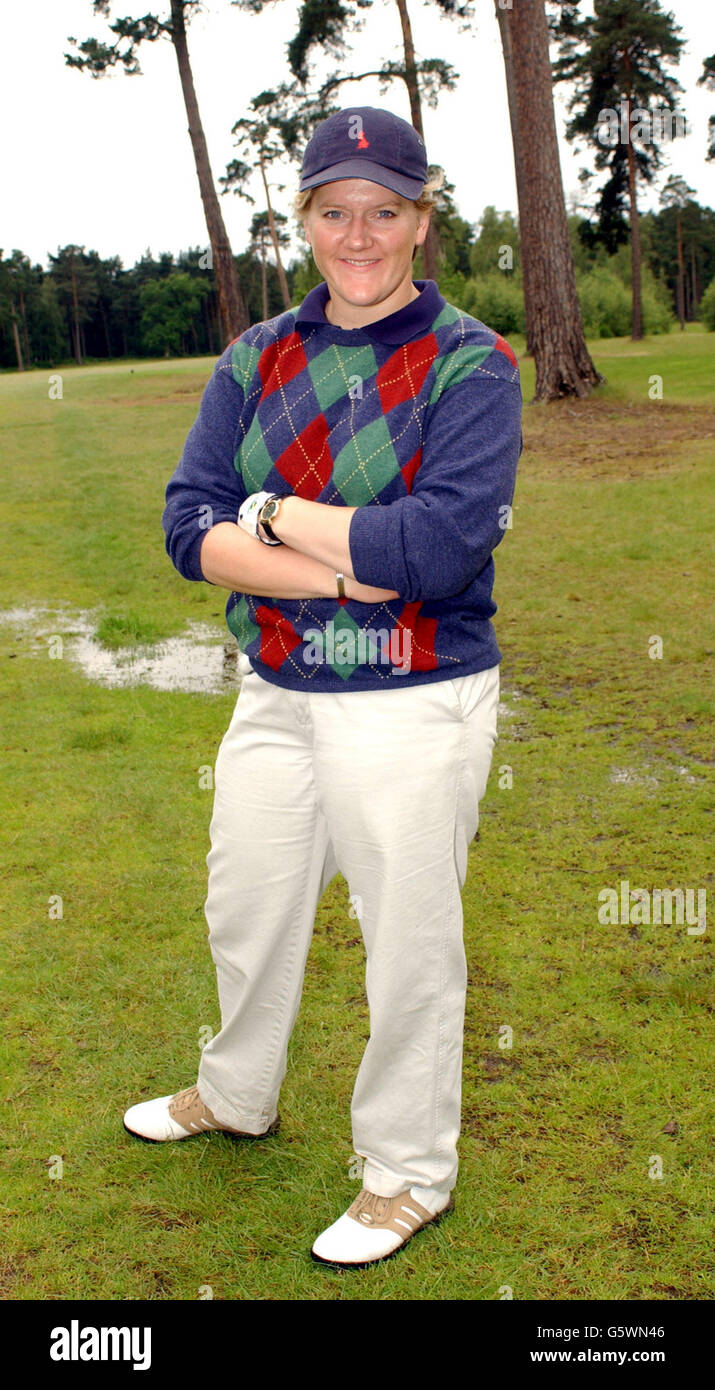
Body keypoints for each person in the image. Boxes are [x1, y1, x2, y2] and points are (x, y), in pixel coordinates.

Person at [123, 105, 522, 1269]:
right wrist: (337, 574)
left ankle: (405, 1173)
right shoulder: (255, 358)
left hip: (413, 693)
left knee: (406, 942)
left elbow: (437, 549)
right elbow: (184, 524)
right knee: (245, 907)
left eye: (383, 211)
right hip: (277, 684)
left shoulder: (472, 362)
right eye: (335, 210)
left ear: (419, 221)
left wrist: (273, 514)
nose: (359, 233)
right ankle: (234, 1091)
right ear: (302, 220)